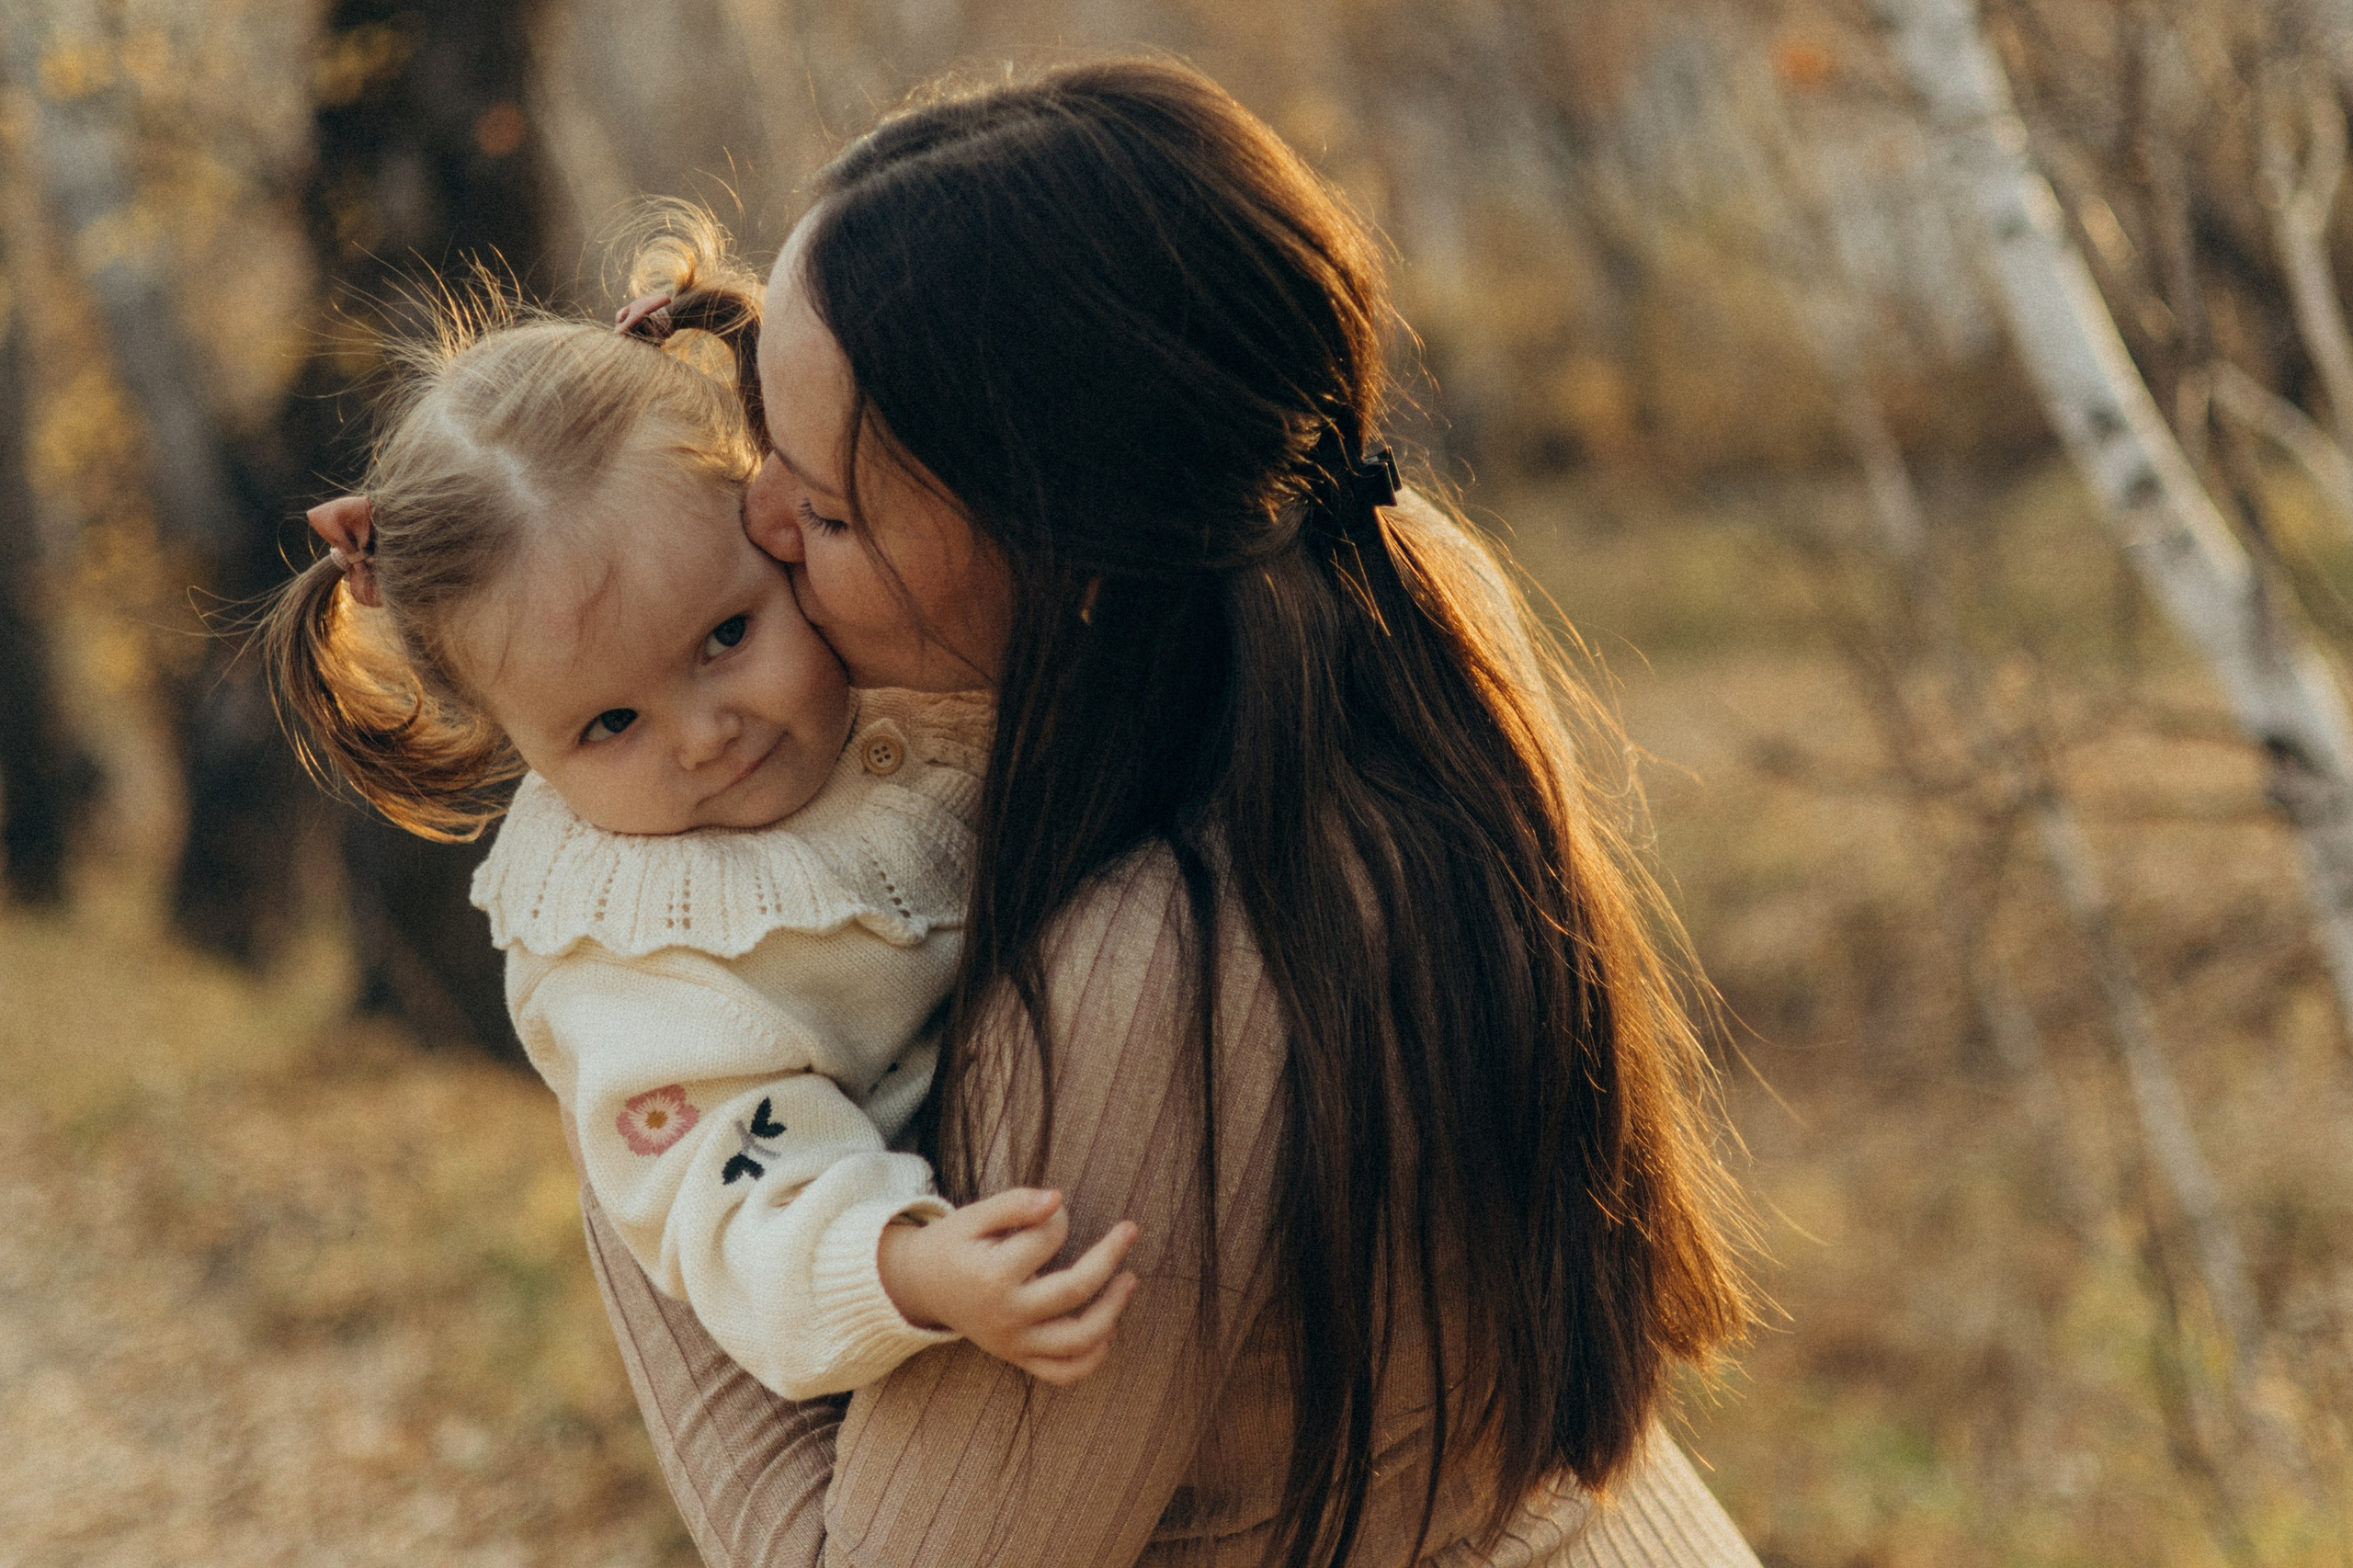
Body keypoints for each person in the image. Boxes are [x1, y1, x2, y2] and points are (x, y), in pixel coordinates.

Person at [581, 57, 1763, 1568]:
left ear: (1066, 563)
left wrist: (644, 1079)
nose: (760, 521)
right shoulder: (1389, 593)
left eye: (826, 510)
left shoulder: (1156, 979)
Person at [259, 228, 1142, 1403]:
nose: (704, 733)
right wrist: (911, 1265)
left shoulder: (904, 662)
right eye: (609, 722)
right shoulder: (629, 963)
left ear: (775, 525)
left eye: (726, 636)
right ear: (515, 745)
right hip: (931, 1334)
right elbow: (728, 1201)